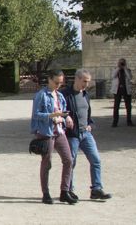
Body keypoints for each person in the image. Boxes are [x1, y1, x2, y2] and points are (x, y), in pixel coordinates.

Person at [62, 69, 112, 201]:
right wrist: (65, 118)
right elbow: (58, 110)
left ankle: (96, 189)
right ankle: (69, 190)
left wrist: (91, 124)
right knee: (71, 162)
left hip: (86, 133)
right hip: (72, 134)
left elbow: (88, 114)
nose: (86, 84)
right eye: (84, 81)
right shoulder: (65, 94)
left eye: (88, 82)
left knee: (96, 160)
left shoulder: (85, 94)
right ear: (77, 79)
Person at [31, 70, 76, 205]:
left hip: (59, 131)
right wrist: (51, 115)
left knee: (69, 160)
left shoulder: (60, 96)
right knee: (47, 163)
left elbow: (62, 111)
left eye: (60, 83)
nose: (58, 85)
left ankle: (64, 191)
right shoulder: (41, 95)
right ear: (49, 80)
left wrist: (66, 117)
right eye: (56, 82)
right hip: (46, 132)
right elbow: (36, 114)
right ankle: (46, 193)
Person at [111, 58, 134, 127]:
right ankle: (115, 122)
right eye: (120, 63)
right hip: (117, 90)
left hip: (126, 89)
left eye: (123, 63)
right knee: (116, 106)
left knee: (128, 106)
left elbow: (130, 77)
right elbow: (113, 76)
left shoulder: (128, 70)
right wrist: (118, 68)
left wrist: (125, 68)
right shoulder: (115, 69)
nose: (121, 64)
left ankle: (129, 121)